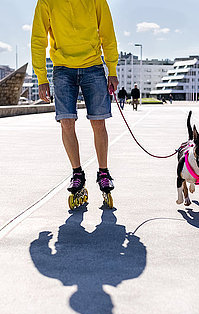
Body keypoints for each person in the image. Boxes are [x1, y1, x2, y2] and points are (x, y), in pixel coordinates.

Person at [31, 0, 119, 198]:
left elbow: (107, 33)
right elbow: (38, 38)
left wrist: (112, 70)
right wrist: (41, 77)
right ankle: (77, 172)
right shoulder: (46, 1)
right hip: (62, 68)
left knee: (99, 122)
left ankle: (103, 172)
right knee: (66, 122)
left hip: (93, 66)